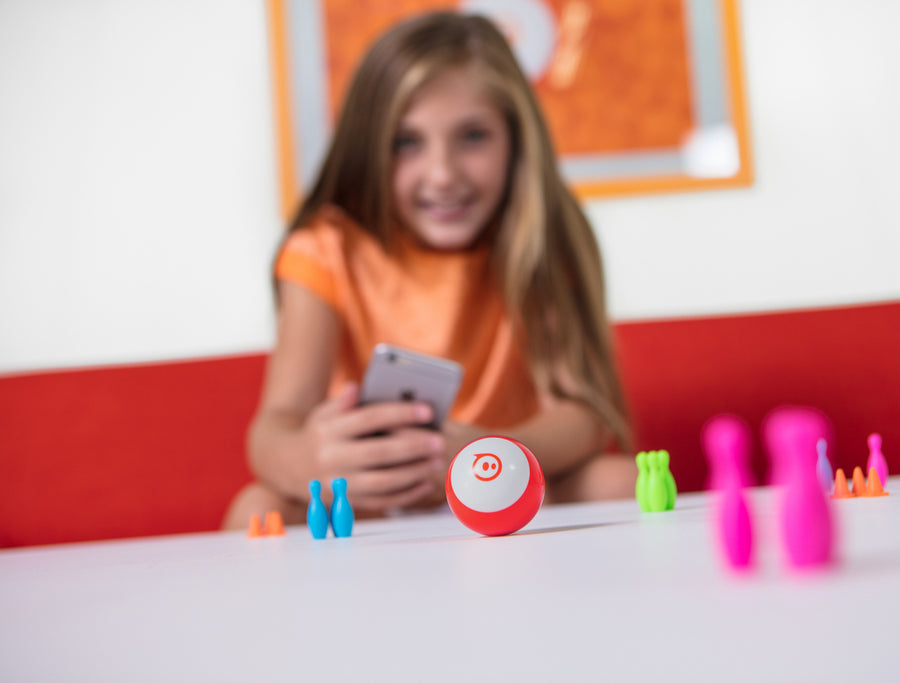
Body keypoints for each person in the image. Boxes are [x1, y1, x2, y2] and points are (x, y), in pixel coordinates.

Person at [222, 11, 635, 529]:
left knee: (620, 481)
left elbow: (584, 417)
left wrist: (490, 453)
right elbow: (274, 427)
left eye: (473, 137)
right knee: (255, 508)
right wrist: (310, 459)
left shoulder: (539, 242)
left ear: (516, 139)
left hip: (505, 484)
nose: (442, 175)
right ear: (368, 147)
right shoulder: (324, 250)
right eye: (407, 143)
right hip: (368, 498)